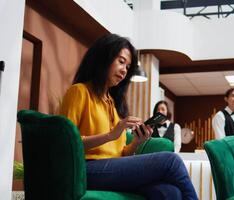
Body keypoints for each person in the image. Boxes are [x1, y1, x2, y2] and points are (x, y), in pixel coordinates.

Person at [59, 33, 197, 200]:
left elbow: (122, 153)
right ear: (103, 58)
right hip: (86, 168)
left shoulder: (112, 102)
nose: (124, 70)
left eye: (128, 66)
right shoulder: (79, 92)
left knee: (169, 192)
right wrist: (111, 135)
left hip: (111, 169)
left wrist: (137, 142)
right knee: (171, 161)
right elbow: (64, 145)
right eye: (121, 61)